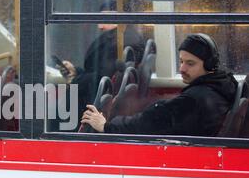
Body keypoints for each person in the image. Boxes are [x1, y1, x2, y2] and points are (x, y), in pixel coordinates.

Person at [81, 33, 238, 136]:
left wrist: (107, 127)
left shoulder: (195, 100)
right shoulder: (221, 87)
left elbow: (147, 124)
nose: (182, 68)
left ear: (209, 65)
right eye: (181, 61)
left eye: (190, 63)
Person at [59, 1, 145, 130]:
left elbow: (103, 76)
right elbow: (98, 71)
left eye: (103, 20)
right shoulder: (124, 38)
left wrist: (75, 81)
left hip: (91, 105)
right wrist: (76, 71)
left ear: (118, 18)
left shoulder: (121, 42)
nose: (99, 26)